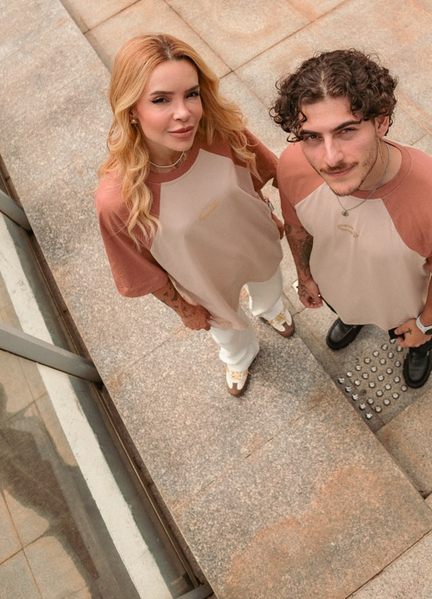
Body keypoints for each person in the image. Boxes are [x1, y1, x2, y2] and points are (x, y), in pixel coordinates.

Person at [271, 49, 432, 389]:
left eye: (346, 131)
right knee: (347, 309)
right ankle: (352, 317)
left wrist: (425, 326)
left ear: (380, 121)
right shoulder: (292, 164)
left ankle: (420, 349)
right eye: (312, 137)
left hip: (403, 309)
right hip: (336, 287)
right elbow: (297, 227)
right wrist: (305, 276)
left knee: (412, 336)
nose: (330, 158)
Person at [95, 33, 293, 397]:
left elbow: (259, 174)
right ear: (131, 109)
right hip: (202, 280)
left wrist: (269, 212)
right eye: (161, 100)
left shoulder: (220, 130)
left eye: (191, 94)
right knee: (228, 332)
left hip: (254, 244)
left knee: (269, 283)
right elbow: (139, 270)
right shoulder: (117, 199)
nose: (184, 113)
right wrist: (183, 309)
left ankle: (271, 309)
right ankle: (240, 357)